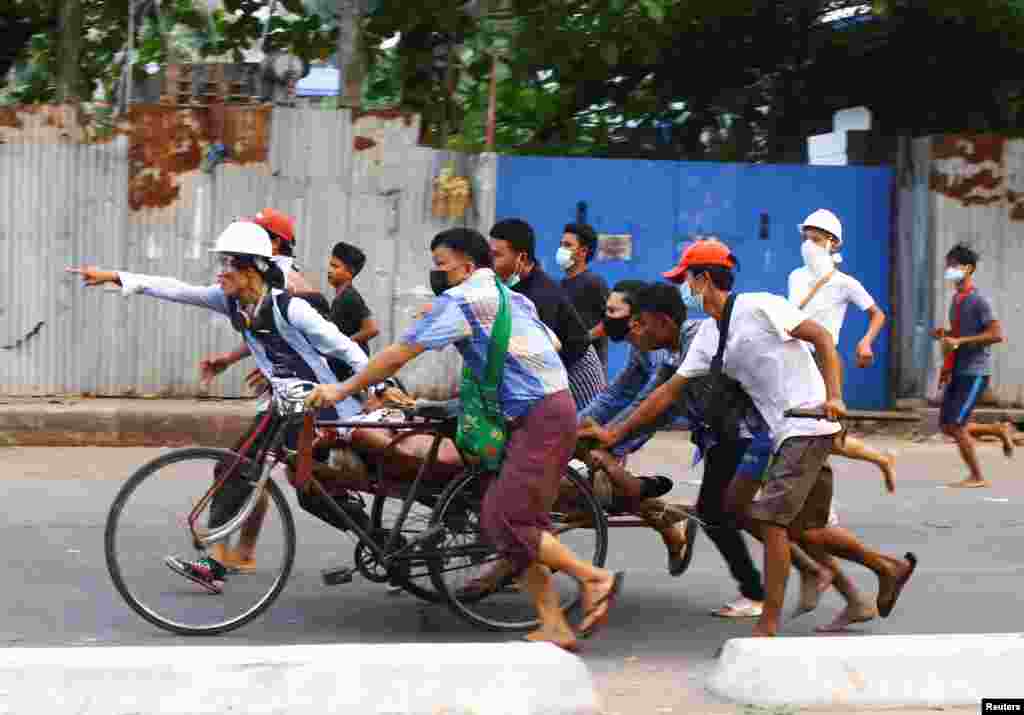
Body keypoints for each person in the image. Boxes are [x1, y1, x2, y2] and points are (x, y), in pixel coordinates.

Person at [305, 227, 623, 651]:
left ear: (468, 266)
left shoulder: (464, 301)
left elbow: (399, 353)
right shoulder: (511, 296)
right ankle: (553, 623)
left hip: (539, 416)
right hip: (537, 411)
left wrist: (341, 391)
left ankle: (593, 578)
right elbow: (554, 340)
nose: (437, 273)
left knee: (505, 519)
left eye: (442, 264)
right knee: (509, 519)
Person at [587, 239, 916, 637]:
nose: (683, 290)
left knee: (770, 522)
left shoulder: (760, 306)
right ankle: (886, 567)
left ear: (705, 280)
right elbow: (667, 393)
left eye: (686, 280)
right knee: (800, 528)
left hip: (806, 422)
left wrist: (835, 396)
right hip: (780, 432)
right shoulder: (710, 335)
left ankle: (768, 625)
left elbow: (823, 340)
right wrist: (614, 433)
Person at [67, 221, 370, 594]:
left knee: (310, 493)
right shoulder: (231, 301)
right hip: (283, 406)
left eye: (229, 265)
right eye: (222, 264)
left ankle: (379, 541)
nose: (221, 272)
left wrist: (379, 385)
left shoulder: (291, 308)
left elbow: (346, 349)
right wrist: (116, 276)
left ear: (251, 270)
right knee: (234, 467)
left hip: (323, 409)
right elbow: (177, 289)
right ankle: (215, 562)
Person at [581, 281, 770, 617]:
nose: (636, 331)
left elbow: (660, 403)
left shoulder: (697, 340)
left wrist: (613, 440)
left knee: (720, 512)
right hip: (724, 436)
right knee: (725, 513)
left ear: (663, 322)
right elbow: (653, 405)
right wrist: (611, 437)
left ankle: (764, 589)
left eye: (641, 323)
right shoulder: (669, 350)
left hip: (749, 432)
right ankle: (798, 571)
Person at [788, 208, 896, 491]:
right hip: (794, 358)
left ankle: (879, 461)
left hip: (825, 361)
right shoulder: (795, 276)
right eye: (806, 238)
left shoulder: (844, 283)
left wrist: (865, 342)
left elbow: (877, 314)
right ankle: (882, 459)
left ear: (832, 243)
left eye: (816, 239)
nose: (808, 245)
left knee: (824, 433)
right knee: (798, 428)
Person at [489, 218, 607, 411]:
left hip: (576, 370)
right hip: (553, 369)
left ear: (522, 258)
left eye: (497, 256)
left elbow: (540, 355)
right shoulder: (518, 286)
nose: (491, 264)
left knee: (579, 434)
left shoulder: (541, 294)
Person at [933, 243, 1012, 488]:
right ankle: (998, 431)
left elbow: (996, 334)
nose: (949, 270)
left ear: (968, 269)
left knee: (956, 425)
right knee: (947, 425)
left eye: (953, 266)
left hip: (975, 371)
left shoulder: (979, 300)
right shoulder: (956, 300)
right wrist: (945, 335)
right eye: (948, 266)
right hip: (958, 368)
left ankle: (977, 476)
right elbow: (957, 337)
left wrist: (960, 340)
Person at [559, 223, 610, 372]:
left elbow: (611, 320)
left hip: (590, 368)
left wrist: (585, 338)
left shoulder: (594, 283)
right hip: (567, 365)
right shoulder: (561, 285)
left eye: (567, 245)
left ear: (583, 251)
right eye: (561, 244)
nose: (562, 249)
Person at [328, 241, 379, 356]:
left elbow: (372, 329)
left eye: (336, 267)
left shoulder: (350, 296)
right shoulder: (341, 296)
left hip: (352, 364)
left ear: (350, 272)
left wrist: (344, 344)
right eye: (330, 265)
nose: (330, 270)